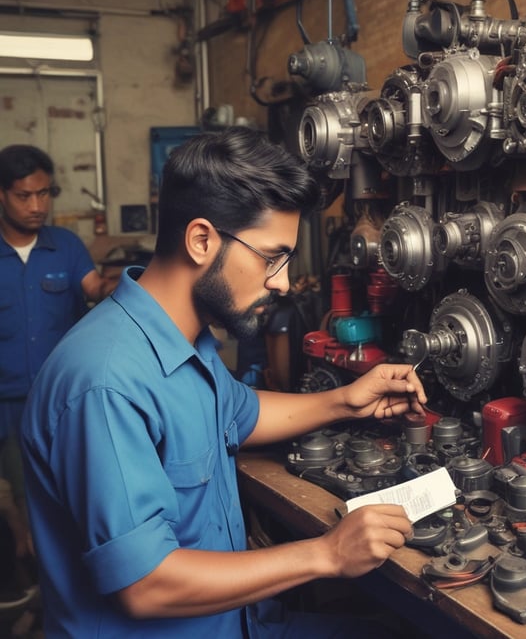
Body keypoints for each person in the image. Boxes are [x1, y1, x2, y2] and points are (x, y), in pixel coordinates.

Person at [20, 126, 427, 638]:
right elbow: (146, 585)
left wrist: (347, 400)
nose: (281, 281)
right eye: (271, 256)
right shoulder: (104, 383)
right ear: (201, 240)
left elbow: (239, 410)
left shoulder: (185, 339)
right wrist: (326, 554)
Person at [0, 144, 114, 606]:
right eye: (26, 196)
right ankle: (20, 584)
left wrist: (128, 281)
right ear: (2, 195)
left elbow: (94, 289)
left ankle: (63, 592)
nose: (38, 206)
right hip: (4, 404)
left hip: (56, 402)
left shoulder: (65, 246)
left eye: (45, 194)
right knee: (15, 504)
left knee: (66, 497)